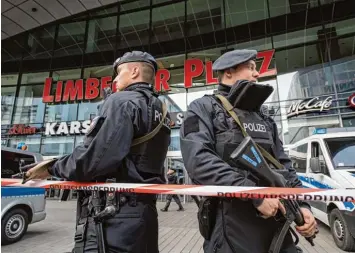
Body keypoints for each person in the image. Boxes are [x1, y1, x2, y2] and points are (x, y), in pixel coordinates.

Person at [24, 51, 171, 253]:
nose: (115, 79)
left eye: (119, 74)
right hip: (144, 214)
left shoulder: (121, 101)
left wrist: (52, 167)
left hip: (114, 217)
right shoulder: (161, 109)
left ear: (135, 71)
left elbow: (94, 160)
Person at [179, 49, 317, 253]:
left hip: (277, 224)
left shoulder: (264, 118)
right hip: (230, 225)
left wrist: (303, 205)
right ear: (228, 72)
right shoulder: (202, 108)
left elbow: (284, 166)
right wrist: (253, 193)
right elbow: (198, 161)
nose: (257, 74)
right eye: (251, 68)